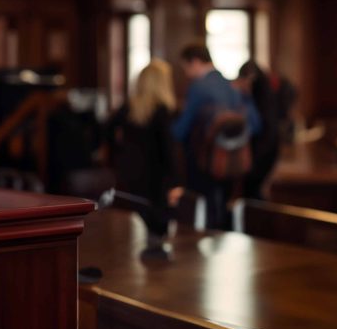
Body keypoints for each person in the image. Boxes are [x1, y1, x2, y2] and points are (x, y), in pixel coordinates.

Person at [172, 44, 260, 228]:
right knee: (222, 209)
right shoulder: (231, 86)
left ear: (195, 62)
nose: (187, 74)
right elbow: (255, 125)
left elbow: (181, 130)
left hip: (204, 160)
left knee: (204, 212)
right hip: (233, 162)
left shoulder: (198, 87)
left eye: (186, 68)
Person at [107, 59, 183, 227]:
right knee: (154, 227)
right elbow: (167, 149)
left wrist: (119, 152)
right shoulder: (163, 110)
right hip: (155, 177)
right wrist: (176, 181)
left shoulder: (128, 107)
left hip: (129, 173)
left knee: (128, 225)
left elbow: (107, 130)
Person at [234, 61, 280, 199]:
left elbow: (261, 128)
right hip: (263, 148)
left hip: (262, 150)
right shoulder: (260, 96)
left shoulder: (261, 97)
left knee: (255, 191)